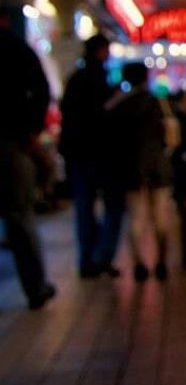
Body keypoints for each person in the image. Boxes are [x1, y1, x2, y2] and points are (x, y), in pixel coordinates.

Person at [0, 10, 55, 308]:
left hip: (13, 140)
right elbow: (41, 90)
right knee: (20, 216)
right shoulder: (17, 50)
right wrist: (31, 130)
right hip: (12, 142)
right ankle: (35, 287)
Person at [59, 34, 124, 277]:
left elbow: (68, 118)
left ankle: (88, 259)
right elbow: (106, 119)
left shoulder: (75, 80)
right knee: (113, 207)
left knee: (84, 208)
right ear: (101, 51)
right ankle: (102, 255)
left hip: (79, 154)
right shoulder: (102, 82)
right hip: (102, 154)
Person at [108, 62, 177, 282]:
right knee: (160, 216)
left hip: (131, 168)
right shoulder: (159, 103)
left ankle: (139, 264)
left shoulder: (119, 105)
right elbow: (172, 135)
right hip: (158, 164)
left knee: (136, 218)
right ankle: (161, 263)